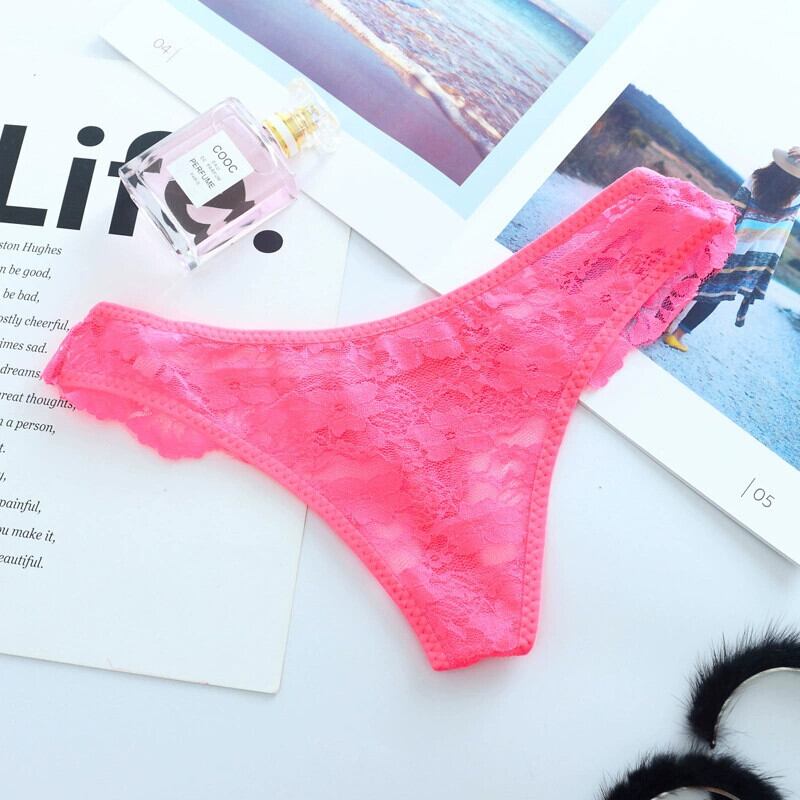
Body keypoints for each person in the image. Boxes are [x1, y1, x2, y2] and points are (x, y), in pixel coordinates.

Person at [663, 146, 800, 352]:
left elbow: (735, 207)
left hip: (727, 241)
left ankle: (662, 323)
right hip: (751, 256)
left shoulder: (757, 178)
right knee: (716, 294)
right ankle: (677, 336)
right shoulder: (795, 198)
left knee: (692, 281)